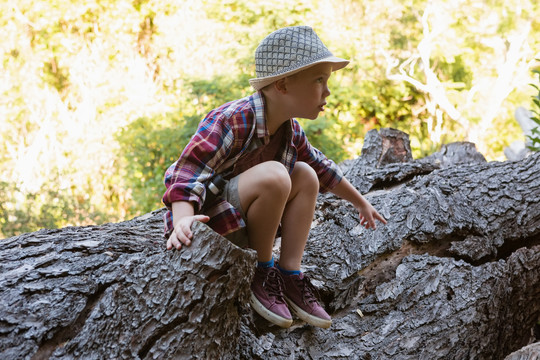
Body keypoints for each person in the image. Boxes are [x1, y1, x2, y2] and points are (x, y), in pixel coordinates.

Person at [162, 25, 386, 329]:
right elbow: (187, 170)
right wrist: (182, 220)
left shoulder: (290, 130)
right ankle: (261, 269)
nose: (328, 91)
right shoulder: (233, 118)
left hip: (250, 224)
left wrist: (360, 202)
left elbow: (322, 168)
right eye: (319, 80)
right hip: (214, 222)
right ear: (282, 85)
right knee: (277, 175)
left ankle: (289, 273)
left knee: (305, 173)